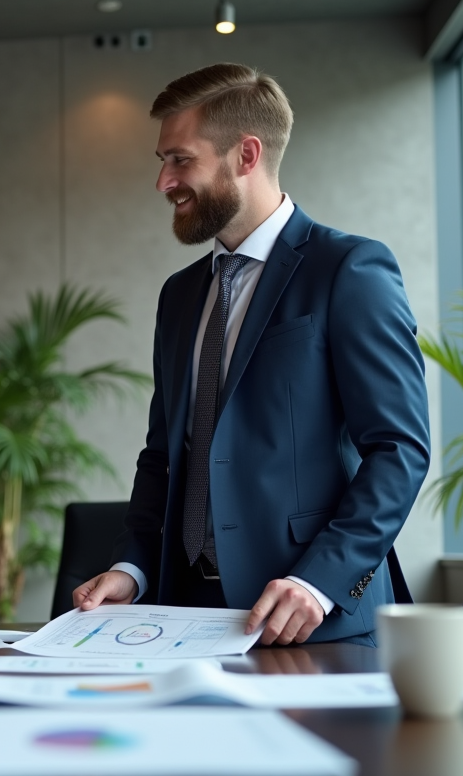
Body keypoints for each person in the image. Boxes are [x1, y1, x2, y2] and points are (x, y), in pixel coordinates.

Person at [73, 63, 430, 646]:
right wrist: (132, 567)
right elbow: (162, 456)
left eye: (180, 159)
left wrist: (319, 582)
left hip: (310, 618)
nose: (163, 181)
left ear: (246, 155)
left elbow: (399, 450)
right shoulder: (179, 294)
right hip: (181, 615)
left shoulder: (350, 270)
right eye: (161, 161)